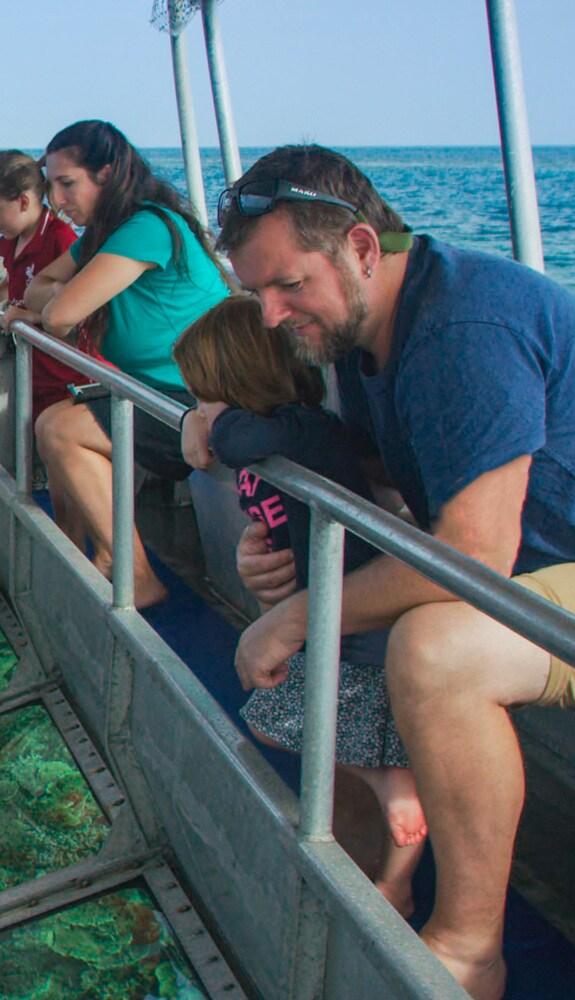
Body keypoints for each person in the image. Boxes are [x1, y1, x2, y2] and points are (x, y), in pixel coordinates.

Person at [218, 144, 575, 999]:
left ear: (362, 249)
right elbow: (380, 490)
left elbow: (474, 558)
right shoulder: (370, 340)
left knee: (436, 647)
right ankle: (368, 877)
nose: (268, 315)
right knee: (364, 619)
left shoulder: (466, 323)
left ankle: (471, 950)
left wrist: (294, 616)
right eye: (257, 292)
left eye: (287, 284)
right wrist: (283, 557)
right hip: (570, 571)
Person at [174, 295, 426, 916]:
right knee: (294, 722)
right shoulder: (278, 434)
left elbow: (233, 436)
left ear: (237, 385)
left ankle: (393, 802)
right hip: (322, 617)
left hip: (358, 621)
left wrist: (208, 420)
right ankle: (392, 873)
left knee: (333, 736)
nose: (203, 412)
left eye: (204, 393)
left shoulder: (299, 429)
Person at [21, 120, 229, 607]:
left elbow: (60, 314)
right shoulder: (104, 234)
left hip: (199, 397)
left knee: (59, 429)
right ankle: (78, 551)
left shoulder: (148, 227)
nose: (57, 199)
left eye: (67, 183)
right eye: (50, 185)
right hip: (152, 392)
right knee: (52, 426)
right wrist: (54, 300)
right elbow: (40, 289)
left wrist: (57, 302)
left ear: (108, 174)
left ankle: (132, 572)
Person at [0, 150, 89, 420]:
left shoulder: (61, 240)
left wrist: (31, 318)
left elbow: (85, 313)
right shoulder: (13, 237)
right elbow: (20, 274)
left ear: (24, 201)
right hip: (34, 372)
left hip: (69, 376)